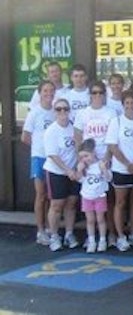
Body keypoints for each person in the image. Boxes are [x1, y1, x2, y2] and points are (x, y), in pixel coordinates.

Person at [73, 80, 118, 246]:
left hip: (105, 161)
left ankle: (110, 235)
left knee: (108, 201)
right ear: (90, 95)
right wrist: (82, 158)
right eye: (94, 92)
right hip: (88, 162)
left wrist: (106, 158)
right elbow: (77, 136)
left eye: (100, 92)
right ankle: (91, 237)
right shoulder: (82, 114)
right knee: (89, 199)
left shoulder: (111, 112)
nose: (97, 95)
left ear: (105, 95)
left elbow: (113, 137)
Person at [105, 90, 133, 251]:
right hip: (121, 169)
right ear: (122, 105)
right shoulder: (117, 122)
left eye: (132, 103)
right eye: (127, 103)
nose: (130, 106)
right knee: (120, 203)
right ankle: (121, 236)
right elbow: (112, 146)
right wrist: (127, 163)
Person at [43, 98, 80, 251]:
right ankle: (54, 235)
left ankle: (69, 234)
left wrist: (77, 168)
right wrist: (67, 170)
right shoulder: (51, 130)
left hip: (73, 172)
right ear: (55, 111)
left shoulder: (74, 128)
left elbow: (79, 148)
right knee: (57, 205)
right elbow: (53, 155)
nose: (62, 112)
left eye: (65, 109)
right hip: (56, 172)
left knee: (71, 204)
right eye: (59, 109)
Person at [22, 81, 56, 245]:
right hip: (39, 158)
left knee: (51, 196)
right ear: (40, 93)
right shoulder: (34, 113)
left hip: (53, 159)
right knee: (41, 195)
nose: (48, 93)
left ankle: (50, 228)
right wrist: (38, 148)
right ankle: (40, 230)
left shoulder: (56, 112)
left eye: (51, 90)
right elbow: (25, 137)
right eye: (45, 91)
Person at [76, 139, 113, 253]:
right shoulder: (84, 167)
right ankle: (91, 241)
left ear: (93, 153)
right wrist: (79, 171)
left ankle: (102, 240)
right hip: (87, 196)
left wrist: (104, 170)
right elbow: (80, 180)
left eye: (86, 156)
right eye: (82, 157)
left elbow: (108, 178)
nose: (85, 159)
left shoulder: (99, 165)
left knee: (100, 219)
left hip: (99, 196)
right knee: (90, 220)